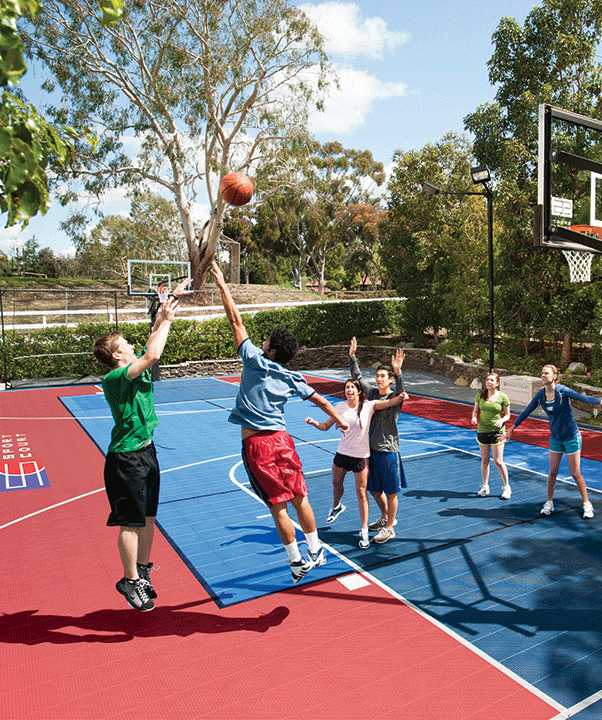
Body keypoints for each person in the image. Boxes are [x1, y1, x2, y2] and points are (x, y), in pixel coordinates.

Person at [209, 261, 349, 584]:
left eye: (266, 340)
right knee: (302, 498)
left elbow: (235, 319)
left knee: (278, 507)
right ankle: (316, 550)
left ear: (269, 348)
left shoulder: (253, 359)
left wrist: (222, 284)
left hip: (257, 444)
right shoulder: (291, 377)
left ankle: (296, 561)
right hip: (283, 441)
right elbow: (322, 400)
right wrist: (339, 420)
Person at [92, 278, 192, 611]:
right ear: (117, 354)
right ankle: (129, 579)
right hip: (126, 459)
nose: (132, 345)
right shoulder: (116, 377)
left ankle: (143, 570)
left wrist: (167, 309)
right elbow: (152, 352)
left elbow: (150, 342)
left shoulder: (133, 370)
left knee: (149, 518)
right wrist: (165, 315)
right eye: (126, 344)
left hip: (146, 451)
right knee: (130, 522)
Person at [305, 379, 404, 549]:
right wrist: (315, 423)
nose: (349, 390)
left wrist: (401, 394)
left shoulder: (369, 405)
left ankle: (364, 531)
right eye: (346, 388)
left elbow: (390, 402)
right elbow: (326, 426)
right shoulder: (340, 407)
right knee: (336, 483)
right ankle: (337, 506)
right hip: (342, 454)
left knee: (361, 493)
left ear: (359, 391)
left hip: (360, 457)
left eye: (352, 387)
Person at [505, 364, 601, 519]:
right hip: (556, 438)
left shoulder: (563, 391)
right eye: (542, 373)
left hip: (571, 437)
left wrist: (600, 401)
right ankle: (549, 502)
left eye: (547, 373)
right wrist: (511, 429)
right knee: (552, 472)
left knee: (575, 473)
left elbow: (584, 398)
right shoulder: (541, 394)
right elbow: (526, 411)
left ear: (555, 376)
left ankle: (586, 503)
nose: (543, 375)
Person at [348, 337, 407, 544]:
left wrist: (398, 372)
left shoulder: (395, 398)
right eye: (377, 375)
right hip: (370, 451)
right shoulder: (372, 393)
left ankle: (390, 527)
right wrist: (353, 357)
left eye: (383, 376)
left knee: (391, 492)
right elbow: (357, 378)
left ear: (390, 380)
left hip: (388, 450)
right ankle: (385, 518)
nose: (379, 378)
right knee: (373, 489)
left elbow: (401, 391)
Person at [471, 372, 512, 499]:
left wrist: (502, 420)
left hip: (497, 432)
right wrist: (473, 417)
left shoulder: (503, 397)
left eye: (492, 380)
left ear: (497, 383)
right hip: (482, 430)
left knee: (498, 461)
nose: (489, 382)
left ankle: (506, 487)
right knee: (485, 461)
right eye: (488, 380)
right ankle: (485, 486)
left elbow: (507, 415)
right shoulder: (480, 395)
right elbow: (476, 410)